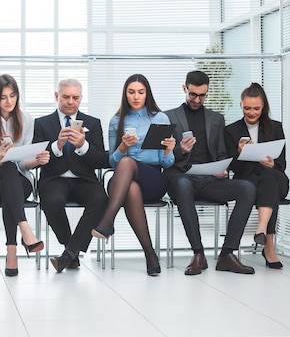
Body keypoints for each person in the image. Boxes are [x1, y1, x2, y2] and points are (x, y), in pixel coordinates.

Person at [165, 70, 256, 275]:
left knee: (247, 188)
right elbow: (163, 158)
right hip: (181, 178)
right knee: (182, 183)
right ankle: (199, 254)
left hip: (209, 181)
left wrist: (222, 169)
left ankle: (227, 254)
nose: (197, 99)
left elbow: (222, 154)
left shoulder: (216, 118)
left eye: (202, 95)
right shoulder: (168, 117)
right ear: (184, 89)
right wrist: (181, 150)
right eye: (193, 94)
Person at [91, 74, 175, 276]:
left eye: (140, 92)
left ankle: (108, 219)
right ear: (125, 94)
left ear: (147, 94)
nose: (136, 96)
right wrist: (121, 146)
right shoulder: (116, 121)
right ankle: (150, 254)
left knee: (128, 163)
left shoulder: (160, 118)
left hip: (153, 179)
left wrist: (168, 150)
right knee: (131, 186)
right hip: (123, 181)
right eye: (131, 92)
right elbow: (112, 161)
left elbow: (167, 164)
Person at [0, 74, 50, 277]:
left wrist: (38, 160)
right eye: (3, 97)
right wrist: (1, 157)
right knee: (6, 167)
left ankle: (12, 252)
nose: (9, 101)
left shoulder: (26, 120)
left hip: (19, 181)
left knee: (11, 178)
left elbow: (25, 162)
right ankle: (25, 229)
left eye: (13, 95)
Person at [33, 79, 109, 273]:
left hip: (84, 179)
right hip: (54, 178)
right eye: (65, 97)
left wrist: (83, 146)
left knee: (100, 199)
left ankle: (69, 254)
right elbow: (36, 158)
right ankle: (71, 250)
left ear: (81, 98)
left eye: (75, 97)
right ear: (57, 96)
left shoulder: (93, 123)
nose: (70, 101)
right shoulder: (41, 123)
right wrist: (56, 146)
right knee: (52, 201)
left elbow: (101, 160)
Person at [224, 82, 288, 269]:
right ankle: (268, 245)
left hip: (275, 178)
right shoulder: (231, 130)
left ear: (264, 107)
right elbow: (232, 167)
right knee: (265, 185)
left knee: (270, 177)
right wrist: (239, 152)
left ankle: (261, 229)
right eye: (247, 108)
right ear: (241, 105)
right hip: (249, 181)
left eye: (256, 108)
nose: (251, 113)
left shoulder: (275, 127)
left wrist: (273, 164)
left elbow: (282, 164)